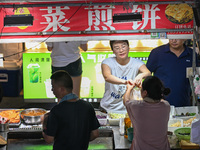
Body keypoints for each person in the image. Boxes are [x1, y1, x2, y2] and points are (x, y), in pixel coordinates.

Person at [42, 70, 100, 150]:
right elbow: (95, 134)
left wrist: (44, 122)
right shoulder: (88, 106)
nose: (52, 90)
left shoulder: (56, 110)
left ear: (61, 89)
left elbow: (49, 139)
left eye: (53, 87)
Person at [100, 40, 151, 111]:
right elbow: (107, 76)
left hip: (129, 107)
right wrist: (125, 82)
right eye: (117, 48)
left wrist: (140, 76)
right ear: (113, 51)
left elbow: (148, 73)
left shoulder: (137, 63)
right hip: (108, 107)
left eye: (123, 46)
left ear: (128, 48)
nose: (121, 50)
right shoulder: (107, 62)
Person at [123, 76, 171, 150]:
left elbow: (126, 100)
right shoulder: (166, 106)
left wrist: (129, 88)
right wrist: (146, 90)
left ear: (145, 92)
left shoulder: (136, 107)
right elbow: (159, 99)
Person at [146, 39, 198, 107]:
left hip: (184, 104)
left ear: (184, 38)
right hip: (159, 105)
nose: (174, 41)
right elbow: (147, 74)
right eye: (171, 37)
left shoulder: (192, 54)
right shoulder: (157, 53)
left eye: (177, 38)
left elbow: (196, 77)